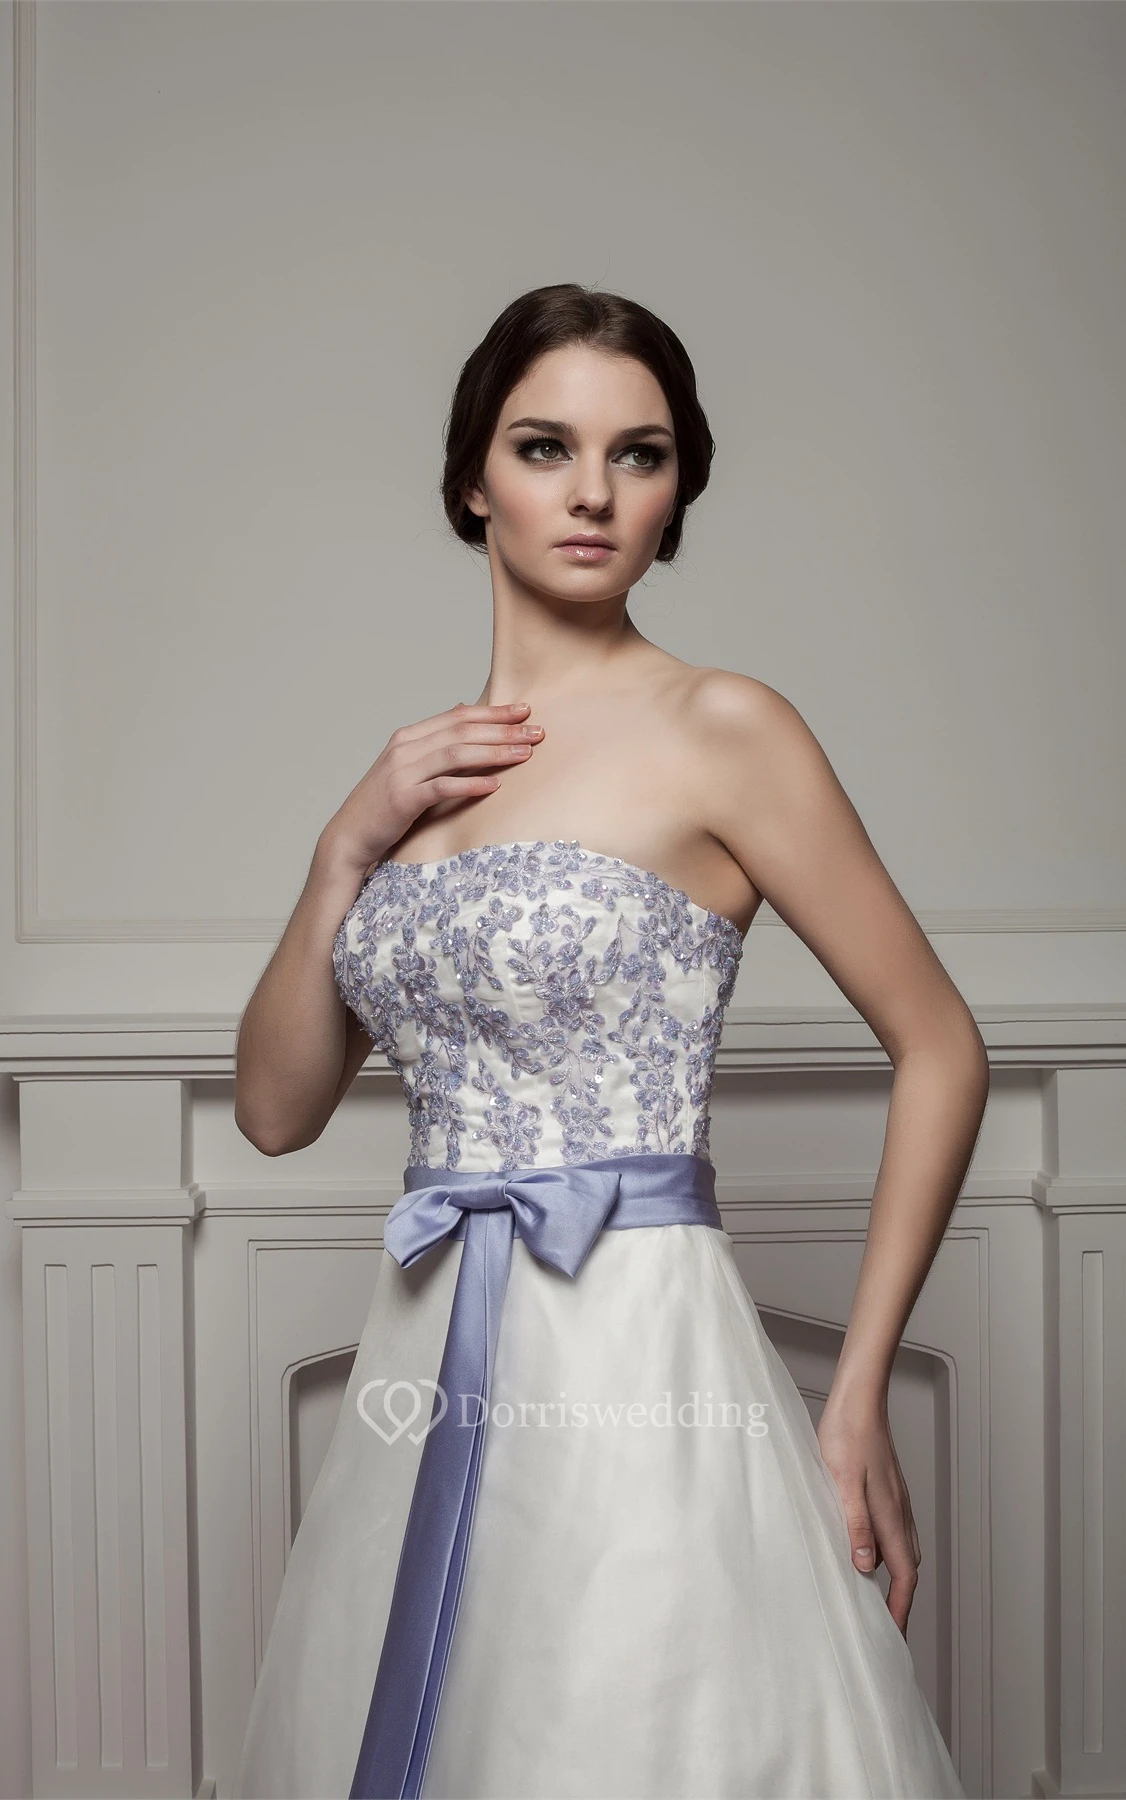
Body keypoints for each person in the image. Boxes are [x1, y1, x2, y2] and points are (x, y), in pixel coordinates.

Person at [232, 282, 987, 1800]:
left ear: (676, 490)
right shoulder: (419, 775)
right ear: (472, 479)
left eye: (638, 455)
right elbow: (274, 1111)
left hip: (637, 1351)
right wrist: (342, 850)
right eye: (544, 447)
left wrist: (855, 1396)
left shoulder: (725, 728)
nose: (591, 492)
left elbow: (940, 1045)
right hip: (430, 1359)